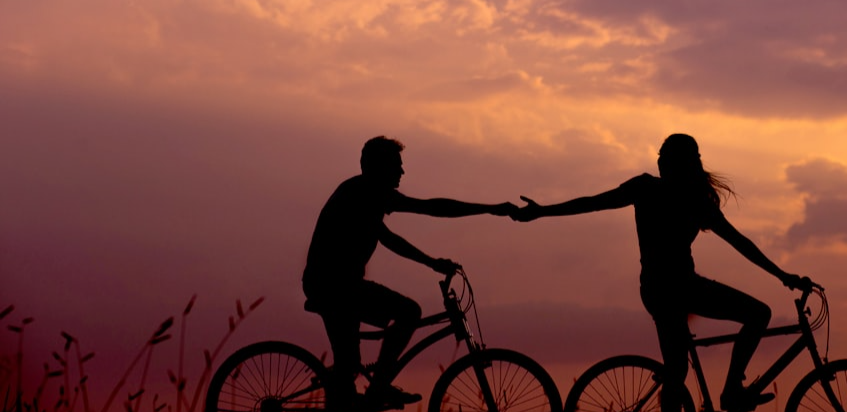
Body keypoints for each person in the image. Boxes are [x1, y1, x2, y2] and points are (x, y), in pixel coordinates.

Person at [513, 134, 808, 412]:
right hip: (677, 288)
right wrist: (542, 211)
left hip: (663, 289)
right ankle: (732, 390)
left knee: (677, 369)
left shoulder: (675, 195)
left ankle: (728, 390)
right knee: (755, 316)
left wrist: (782, 275)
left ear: (681, 163)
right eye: (660, 156)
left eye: (666, 157)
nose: (660, 161)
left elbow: (740, 242)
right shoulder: (669, 194)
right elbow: (592, 203)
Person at [303, 136, 518, 409]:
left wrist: (431, 262)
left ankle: (367, 390)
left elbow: (388, 238)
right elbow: (431, 208)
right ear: (378, 167)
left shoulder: (363, 195)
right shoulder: (365, 192)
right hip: (334, 287)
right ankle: (379, 387)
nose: (402, 171)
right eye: (396, 165)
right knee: (408, 312)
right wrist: (490, 209)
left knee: (349, 369)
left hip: (337, 286)